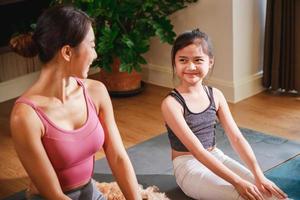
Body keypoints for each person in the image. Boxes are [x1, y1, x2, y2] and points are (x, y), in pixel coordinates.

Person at [10, 5, 141, 200]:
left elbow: (118, 157)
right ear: (67, 52)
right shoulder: (26, 116)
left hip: (91, 193)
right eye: (92, 45)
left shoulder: (96, 92)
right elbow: (53, 194)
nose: (95, 55)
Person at [161, 28, 288, 200]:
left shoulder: (216, 95)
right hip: (189, 167)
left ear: (210, 62)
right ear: (174, 63)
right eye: (183, 60)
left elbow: (236, 138)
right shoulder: (171, 104)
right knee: (245, 195)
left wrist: (259, 175)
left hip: (216, 156)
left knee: (269, 193)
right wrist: (237, 182)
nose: (191, 66)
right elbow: (198, 151)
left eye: (198, 60)